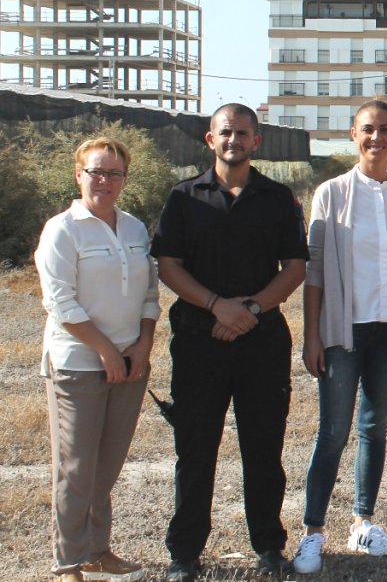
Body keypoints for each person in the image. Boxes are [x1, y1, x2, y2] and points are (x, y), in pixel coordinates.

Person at [151, 103, 308, 581]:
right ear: (210, 139)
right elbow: (169, 266)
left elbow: (295, 268)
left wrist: (251, 310)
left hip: (261, 341)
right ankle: (184, 553)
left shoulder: (279, 198)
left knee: (264, 449)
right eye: (225, 132)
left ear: (256, 141)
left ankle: (268, 547)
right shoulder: (183, 197)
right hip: (199, 340)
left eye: (242, 133)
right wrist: (218, 306)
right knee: (196, 450)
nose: (233, 140)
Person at [291, 101, 387, 574]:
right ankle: (312, 532)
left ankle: (364, 521)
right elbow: (315, 272)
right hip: (344, 332)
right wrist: (312, 336)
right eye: (368, 129)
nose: (376, 138)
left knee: (374, 429)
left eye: (385, 129)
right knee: (333, 432)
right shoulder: (330, 193)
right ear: (353, 134)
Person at [35, 137, 159, 582]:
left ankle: (98, 550)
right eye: (96, 172)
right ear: (78, 174)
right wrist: (105, 350)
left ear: (124, 180)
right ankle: (68, 562)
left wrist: (141, 346)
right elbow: (60, 302)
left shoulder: (135, 229)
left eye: (114, 174)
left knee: (107, 465)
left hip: (129, 363)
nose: (104, 181)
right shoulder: (63, 229)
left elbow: (149, 294)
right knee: (76, 467)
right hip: (77, 363)